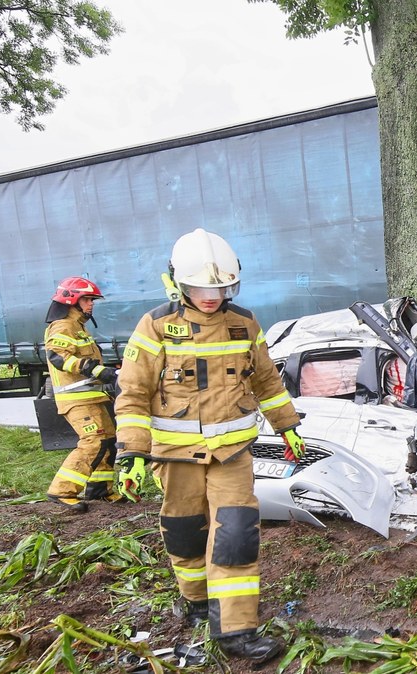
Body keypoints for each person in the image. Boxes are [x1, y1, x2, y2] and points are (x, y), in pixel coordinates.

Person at [114, 228, 304, 665]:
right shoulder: (156, 326)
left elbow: (267, 381)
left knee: (237, 534)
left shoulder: (244, 324)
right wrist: (132, 452)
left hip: (232, 455)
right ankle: (196, 601)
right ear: (179, 283)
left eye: (221, 288)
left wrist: (287, 425)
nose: (211, 297)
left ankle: (236, 631)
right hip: (174, 457)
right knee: (184, 533)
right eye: (201, 288)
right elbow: (132, 394)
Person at [43, 276, 120, 512]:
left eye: (92, 300)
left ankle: (100, 490)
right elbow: (58, 357)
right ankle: (62, 491)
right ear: (71, 301)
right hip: (76, 400)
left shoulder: (78, 327)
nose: (91, 304)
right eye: (87, 299)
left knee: (108, 442)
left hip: (92, 397)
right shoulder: (62, 326)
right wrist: (94, 369)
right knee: (93, 441)